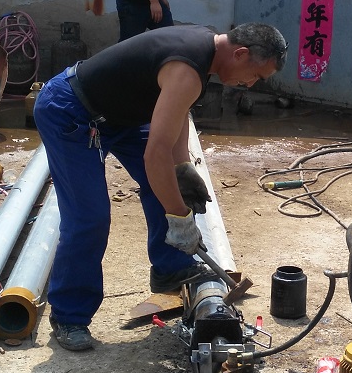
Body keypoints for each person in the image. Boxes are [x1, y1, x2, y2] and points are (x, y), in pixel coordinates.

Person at [34, 22, 287, 351]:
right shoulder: (188, 67)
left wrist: (181, 167)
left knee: (169, 183)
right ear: (240, 54)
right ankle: (69, 316)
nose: (250, 84)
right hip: (71, 110)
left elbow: (178, 116)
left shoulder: (206, 52)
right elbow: (155, 154)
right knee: (89, 217)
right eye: (255, 76)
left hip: (118, 115)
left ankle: (171, 268)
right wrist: (179, 219)